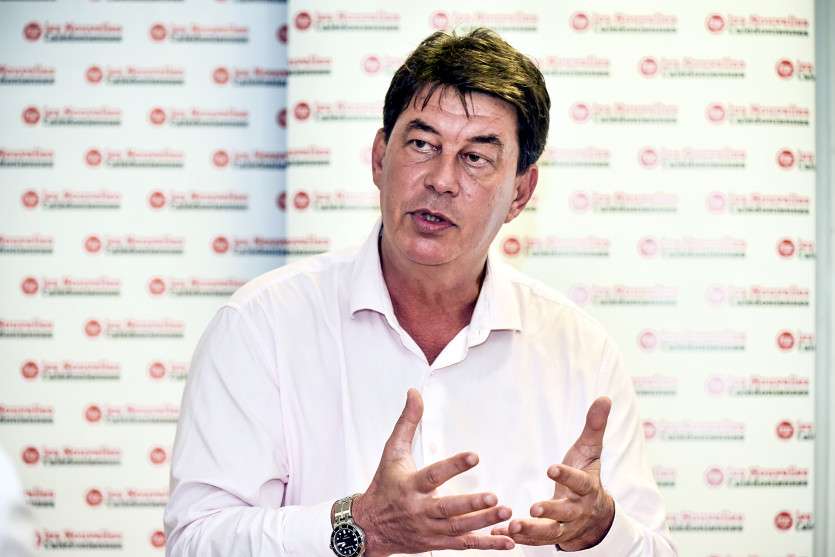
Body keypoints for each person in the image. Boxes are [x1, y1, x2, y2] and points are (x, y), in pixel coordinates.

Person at [164, 28, 676, 557]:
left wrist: (599, 530)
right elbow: (197, 542)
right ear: (379, 158)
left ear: (521, 192)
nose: (441, 179)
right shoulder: (261, 325)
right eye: (422, 145)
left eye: (475, 157)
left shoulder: (580, 351)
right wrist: (360, 527)